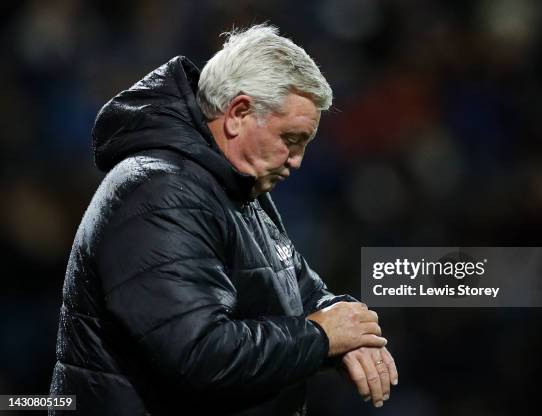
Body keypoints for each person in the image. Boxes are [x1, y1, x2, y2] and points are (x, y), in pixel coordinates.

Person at [50, 24, 397, 415]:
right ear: (239, 113)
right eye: (291, 139)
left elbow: (302, 295)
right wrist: (321, 336)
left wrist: (347, 327)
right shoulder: (159, 193)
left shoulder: (235, 187)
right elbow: (198, 354)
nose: (297, 160)